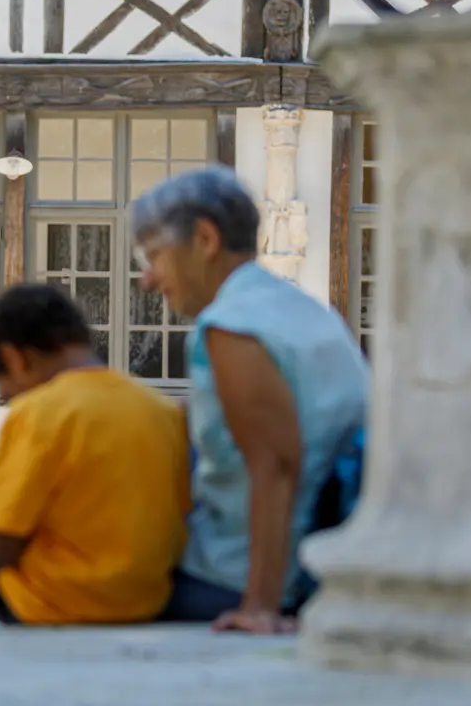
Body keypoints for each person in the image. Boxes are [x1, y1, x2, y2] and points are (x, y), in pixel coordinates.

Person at [131, 166, 369, 634]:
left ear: (204, 239)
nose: (148, 279)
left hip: (238, 579)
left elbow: (276, 465)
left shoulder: (233, 326)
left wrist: (259, 606)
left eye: (155, 256)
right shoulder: (298, 309)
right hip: (324, 567)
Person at [0, 284, 190, 626]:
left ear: (14, 358)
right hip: (144, 601)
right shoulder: (161, 410)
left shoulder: (38, 411)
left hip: (54, 604)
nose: (10, 397)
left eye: (5, 387)